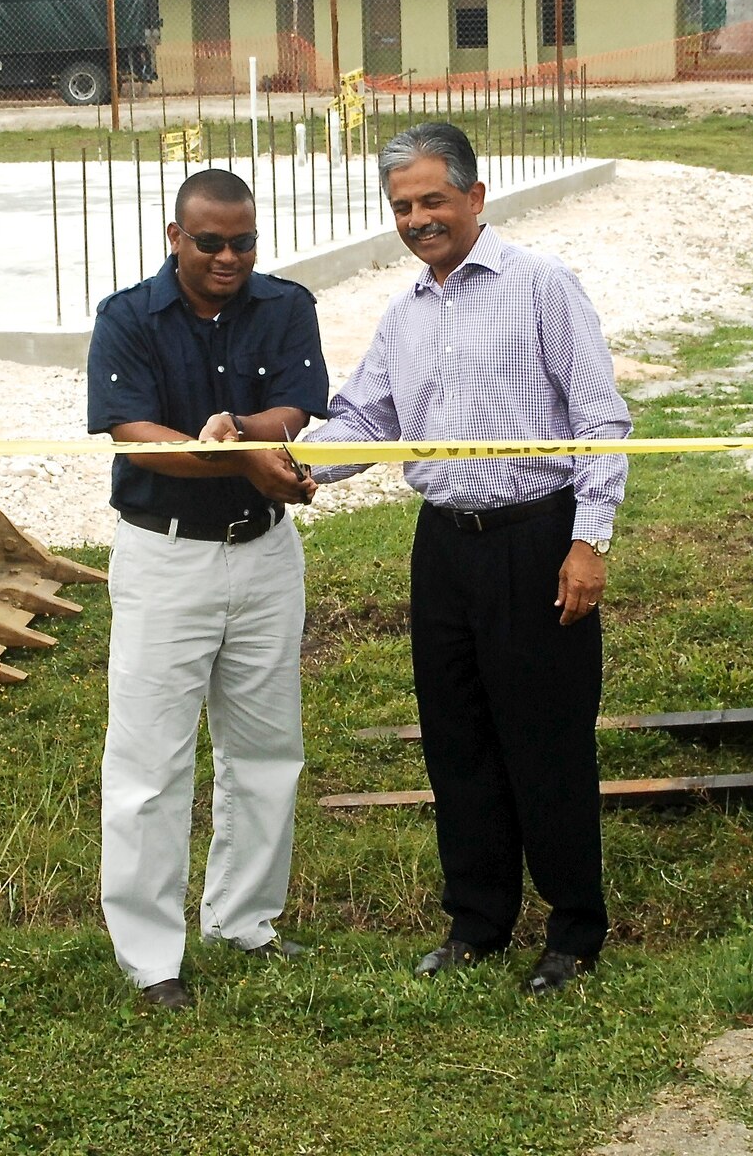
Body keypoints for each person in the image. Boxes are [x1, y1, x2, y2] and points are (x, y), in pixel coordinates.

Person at [306, 121, 630, 996]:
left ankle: (572, 933)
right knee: (458, 743)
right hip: (443, 550)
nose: (418, 219)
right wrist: (294, 467)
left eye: (432, 200)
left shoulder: (541, 286)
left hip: (537, 540)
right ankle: (477, 922)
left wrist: (587, 540)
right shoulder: (404, 311)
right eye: (403, 206)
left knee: (547, 744)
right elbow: (365, 419)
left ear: (474, 197)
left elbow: (602, 420)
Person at [85, 167, 327, 1011]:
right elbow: (133, 435)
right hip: (166, 557)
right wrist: (222, 449)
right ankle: (151, 958)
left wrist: (244, 434)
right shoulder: (125, 318)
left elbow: (299, 404)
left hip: (263, 555)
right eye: (211, 242)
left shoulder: (286, 305)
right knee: (150, 764)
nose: (230, 257)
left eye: (245, 241)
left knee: (266, 751)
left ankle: (245, 921)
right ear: (174, 237)